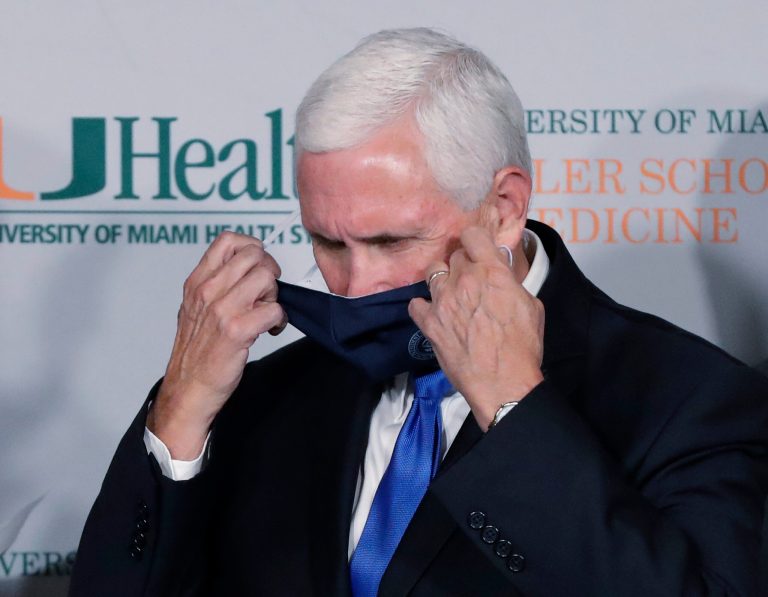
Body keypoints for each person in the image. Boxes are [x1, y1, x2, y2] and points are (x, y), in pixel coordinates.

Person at [70, 28, 768, 596]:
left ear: (502, 209)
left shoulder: (690, 398)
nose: (352, 285)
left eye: (389, 240)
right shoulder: (265, 395)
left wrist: (517, 412)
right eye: (325, 240)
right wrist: (183, 410)